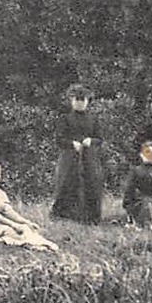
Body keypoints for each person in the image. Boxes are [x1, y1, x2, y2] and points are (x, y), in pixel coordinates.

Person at [0, 160, 60, 251]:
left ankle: (41, 244)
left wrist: (26, 222)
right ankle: (38, 245)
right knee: (10, 230)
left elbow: (8, 211)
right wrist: (13, 224)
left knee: (25, 227)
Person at [50, 84, 103, 223]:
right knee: (67, 183)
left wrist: (90, 140)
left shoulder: (93, 119)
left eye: (82, 100)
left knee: (91, 183)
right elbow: (59, 139)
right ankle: (65, 216)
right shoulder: (65, 118)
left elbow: (100, 139)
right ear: (72, 101)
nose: (79, 103)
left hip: (89, 158)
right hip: (69, 158)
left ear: (87, 101)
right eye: (76, 100)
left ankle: (90, 218)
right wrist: (72, 143)